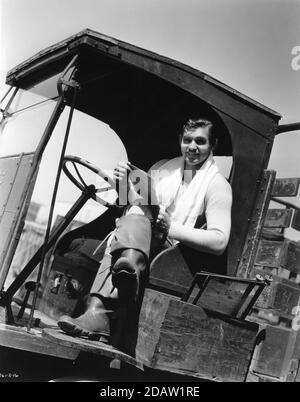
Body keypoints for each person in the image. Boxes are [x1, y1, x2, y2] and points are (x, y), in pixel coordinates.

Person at [57, 117, 232, 354]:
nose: (192, 147)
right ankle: (127, 269)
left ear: (213, 145)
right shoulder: (162, 168)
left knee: (131, 228)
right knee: (92, 236)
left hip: (174, 254)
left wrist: (172, 227)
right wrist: (121, 183)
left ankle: (108, 298)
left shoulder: (217, 185)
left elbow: (219, 241)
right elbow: (132, 205)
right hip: (142, 238)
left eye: (200, 141)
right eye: (187, 140)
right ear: (180, 140)